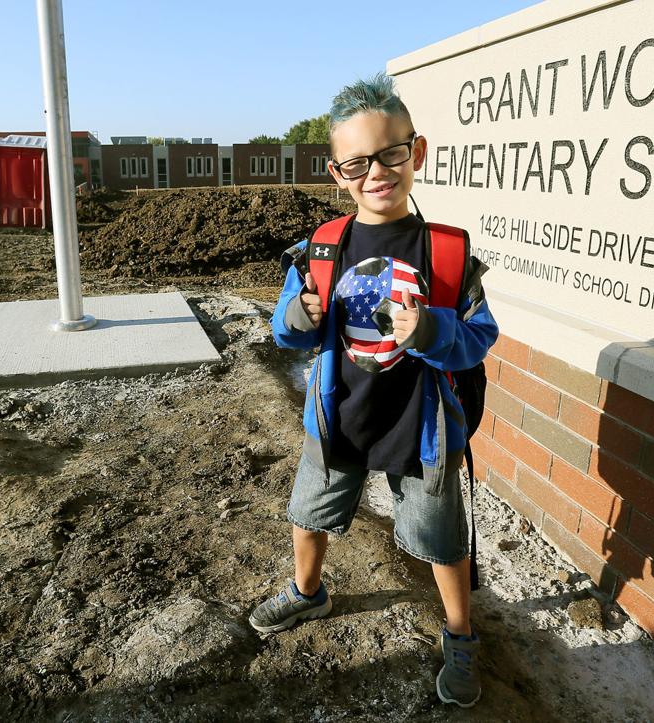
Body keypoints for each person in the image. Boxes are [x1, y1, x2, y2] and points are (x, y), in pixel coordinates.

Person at [251, 72, 499, 709]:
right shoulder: (321, 248)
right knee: (309, 513)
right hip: (340, 417)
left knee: (443, 539)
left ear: (417, 152)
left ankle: (460, 634)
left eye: (391, 154)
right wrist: (299, 316)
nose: (377, 173)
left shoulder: (448, 254)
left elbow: (480, 336)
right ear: (337, 173)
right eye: (357, 163)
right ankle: (308, 592)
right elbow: (285, 329)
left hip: (421, 427)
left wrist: (434, 329)